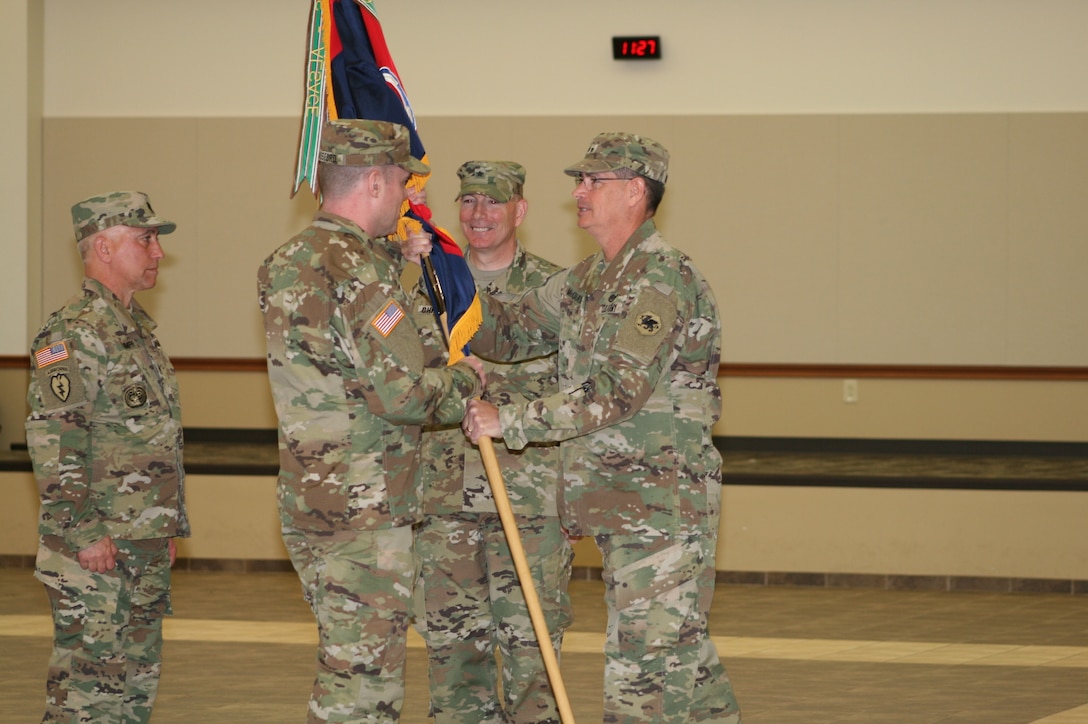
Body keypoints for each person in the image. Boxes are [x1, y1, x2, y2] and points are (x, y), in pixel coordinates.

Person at [461, 133, 743, 722]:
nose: (578, 191)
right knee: (686, 670)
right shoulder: (590, 279)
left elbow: (615, 394)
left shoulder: (660, 280)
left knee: (642, 685)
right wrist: (439, 274)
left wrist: (507, 420)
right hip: (619, 509)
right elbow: (505, 330)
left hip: (661, 510)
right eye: (579, 180)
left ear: (636, 191)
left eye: (593, 181)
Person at [257, 118, 486, 723]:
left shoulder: (290, 260)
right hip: (366, 506)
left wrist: (388, 259)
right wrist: (465, 381)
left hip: (313, 498)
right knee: (362, 689)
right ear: (379, 181)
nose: (411, 198)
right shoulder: (358, 272)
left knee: (346, 664)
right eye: (404, 183)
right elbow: (402, 395)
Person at [411, 161, 573, 722]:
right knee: (453, 657)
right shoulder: (428, 288)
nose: (479, 214)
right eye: (469, 202)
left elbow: (577, 396)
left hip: (527, 502)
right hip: (444, 502)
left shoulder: (556, 291)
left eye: (494, 203)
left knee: (533, 655)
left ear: (520, 210)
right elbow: (399, 379)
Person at [25, 190, 189, 722]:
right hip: (96, 550)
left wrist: (160, 529)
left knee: (132, 695)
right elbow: (55, 439)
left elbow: (147, 441)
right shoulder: (71, 332)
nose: (158, 252)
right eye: (145, 239)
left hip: (138, 544)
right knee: (87, 698)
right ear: (104, 247)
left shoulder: (136, 331)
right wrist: (83, 530)